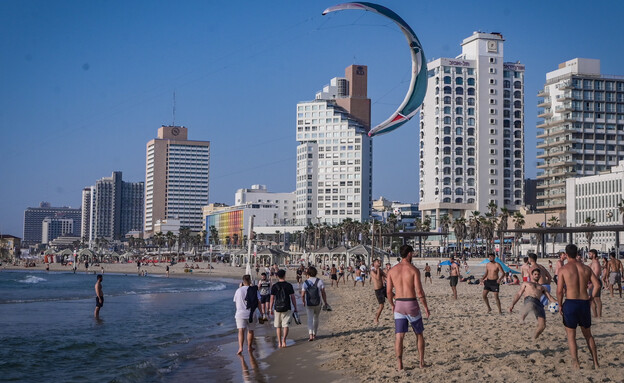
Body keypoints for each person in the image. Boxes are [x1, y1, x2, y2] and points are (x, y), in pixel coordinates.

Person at [386, 245, 430, 370]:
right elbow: (420, 292)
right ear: (409, 254)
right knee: (419, 333)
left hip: (399, 304)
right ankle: (421, 362)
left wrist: (392, 304)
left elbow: (389, 292)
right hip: (411, 304)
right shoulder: (413, 270)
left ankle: (399, 364)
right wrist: (426, 307)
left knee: (399, 336)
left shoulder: (392, 271)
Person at [557, 244, 600, 370]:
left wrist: (560, 304)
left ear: (566, 254)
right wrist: (591, 297)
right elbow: (597, 284)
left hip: (570, 303)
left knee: (571, 336)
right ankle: (596, 363)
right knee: (588, 335)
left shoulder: (564, 269)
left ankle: (576, 363)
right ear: (577, 253)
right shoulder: (586, 268)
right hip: (584, 303)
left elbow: (559, 291)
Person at [509, 268, 555, 339]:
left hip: (539, 304)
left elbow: (550, 298)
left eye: (538, 274)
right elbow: (519, 294)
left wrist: (560, 304)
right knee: (531, 304)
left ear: (540, 276)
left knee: (542, 326)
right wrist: (512, 304)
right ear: (532, 275)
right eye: (535, 274)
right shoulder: (526, 284)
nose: (537, 275)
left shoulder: (542, 287)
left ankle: (534, 337)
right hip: (529, 299)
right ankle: (522, 318)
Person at [233, 275, 263, 355]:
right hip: (251, 313)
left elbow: (236, 301)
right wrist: (261, 312)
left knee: (241, 331)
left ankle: (240, 347)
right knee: (250, 330)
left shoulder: (238, 291)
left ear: (242, 281)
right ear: (250, 281)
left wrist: (240, 287)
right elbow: (259, 302)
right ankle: (249, 346)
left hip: (240, 314)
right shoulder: (253, 290)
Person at [270, 269, 297, 348]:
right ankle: (284, 340)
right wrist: (295, 307)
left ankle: (279, 342)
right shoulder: (288, 285)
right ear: (284, 275)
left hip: (277, 307)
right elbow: (292, 297)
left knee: (278, 326)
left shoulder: (274, 286)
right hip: (287, 307)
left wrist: (270, 308)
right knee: (286, 325)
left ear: (277, 276)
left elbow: (272, 298)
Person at [301, 266, 328, 341]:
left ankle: (310, 335)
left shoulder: (305, 283)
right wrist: (325, 302)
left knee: (309, 318)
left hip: (309, 303)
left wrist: (303, 301)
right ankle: (315, 334)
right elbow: (323, 293)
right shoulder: (319, 281)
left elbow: (302, 294)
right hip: (318, 303)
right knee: (316, 318)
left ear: (308, 273)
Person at [370, 258, 387, 325]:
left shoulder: (379, 270)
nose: (379, 262)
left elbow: (386, 276)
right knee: (381, 306)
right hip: (378, 290)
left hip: (383, 288)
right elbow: (377, 278)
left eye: (380, 261)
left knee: (394, 296)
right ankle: (376, 318)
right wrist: (377, 269)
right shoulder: (372, 271)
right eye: (378, 261)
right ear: (374, 263)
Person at [588, 249, 603, 318]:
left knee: (597, 299)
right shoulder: (592, 263)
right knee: (592, 299)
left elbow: (596, 274)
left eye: (590, 254)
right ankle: (595, 315)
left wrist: (592, 283)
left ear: (594, 255)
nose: (589, 255)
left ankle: (599, 315)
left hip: (595, 282)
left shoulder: (596, 263)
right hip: (591, 282)